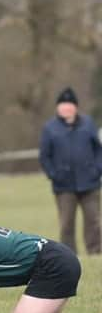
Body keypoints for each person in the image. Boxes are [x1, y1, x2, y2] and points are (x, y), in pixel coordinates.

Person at [39, 87, 102, 255]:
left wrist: (97, 170)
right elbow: (45, 156)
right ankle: (69, 255)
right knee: (66, 224)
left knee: (94, 222)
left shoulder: (88, 124)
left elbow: (98, 150)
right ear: (57, 108)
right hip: (64, 186)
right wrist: (54, 175)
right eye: (63, 105)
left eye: (69, 105)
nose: (66, 108)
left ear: (76, 107)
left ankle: (95, 252)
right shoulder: (49, 128)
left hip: (90, 184)